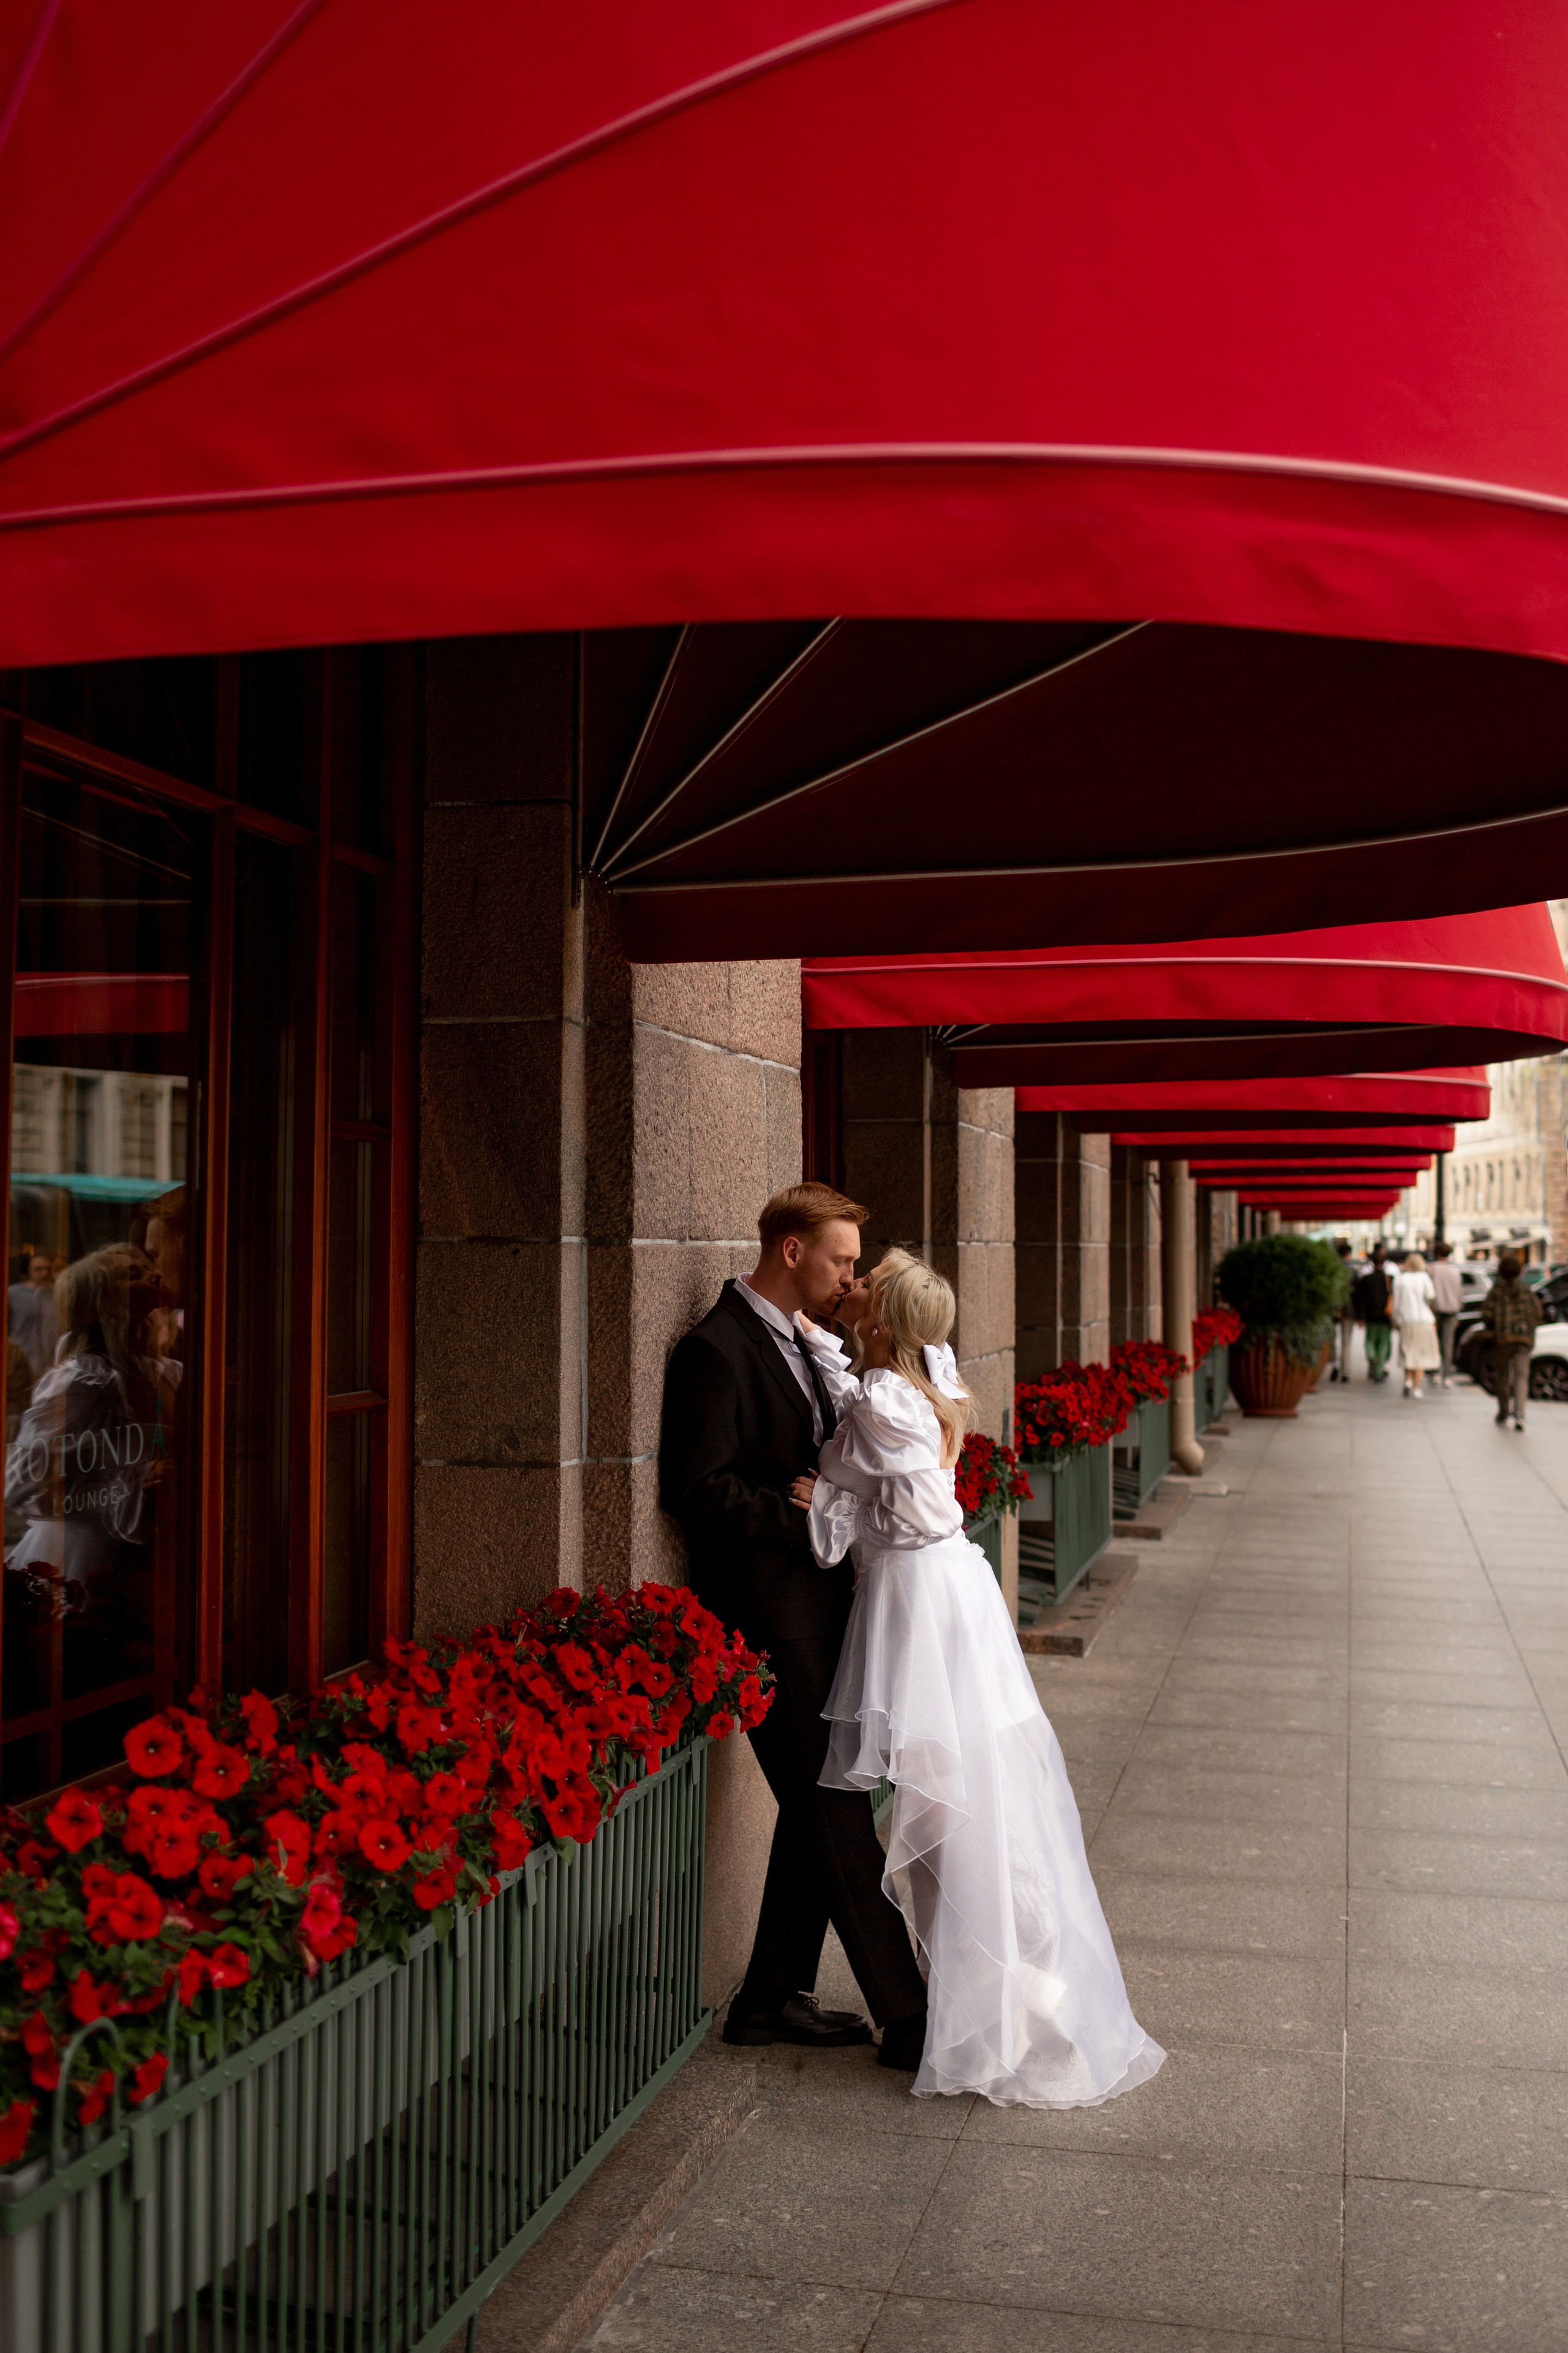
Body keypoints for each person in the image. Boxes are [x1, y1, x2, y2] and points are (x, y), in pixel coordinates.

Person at [790, 1248, 1163, 2108]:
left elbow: (884, 1499)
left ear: (884, 1321)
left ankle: (987, 2002)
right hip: (951, 1593)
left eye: (866, 1290)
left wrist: (820, 1497)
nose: (852, 1292)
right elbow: (875, 1394)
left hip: (917, 1602)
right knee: (968, 1792)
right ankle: (1008, 1985)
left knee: (941, 1803)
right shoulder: (929, 1374)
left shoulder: (884, 1399)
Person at [658, 1184, 930, 2066]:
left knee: (823, 1805)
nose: (851, 1275)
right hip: (765, 1617)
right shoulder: (715, 1348)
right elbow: (696, 1488)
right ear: (790, 1252)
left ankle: (771, 1996)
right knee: (835, 1807)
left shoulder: (810, 1341)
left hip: (822, 1613)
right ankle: (910, 2016)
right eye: (842, 1258)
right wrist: (807, 1520)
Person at [1478, 1252, 1542, 1431]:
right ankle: (1520, 1415)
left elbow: (1487, 1314)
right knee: (1522, 1377)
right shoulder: (1526, 1289)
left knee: (1503, 1377)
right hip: (1524, 1339)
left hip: (1503, 1339)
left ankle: (1504, 1411)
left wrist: (1492, 1327)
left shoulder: (1497, 1291)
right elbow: (1537, 1312)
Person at [1390, 1251, 1439, 1398]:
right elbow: (1431, 1297)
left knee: (1408, 1352)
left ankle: (1408, 1381)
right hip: (1424, 1320)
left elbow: (1396, 1303)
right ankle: (1417, 1388)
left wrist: (1395, 1319)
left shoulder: (1400, 1279)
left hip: (1406, 1320)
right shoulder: (1424, 1278)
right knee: (1421, 1354)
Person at [7, 1253, 61, 1382]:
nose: (44, 1273)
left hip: (47, 1358)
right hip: (21, 1357)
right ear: (29, 1271)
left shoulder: (55, 1294)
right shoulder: (13, 1293)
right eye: (38, 1269)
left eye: (47, 1269)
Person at [1353, 1243, 1395, 1382]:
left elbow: (1359, 1299)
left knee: (1370, 1341)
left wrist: (1360, 1316)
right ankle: (1380, 1368)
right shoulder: (1390, 1279)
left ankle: (1372, 1358)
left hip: (1370, 1315)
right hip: (1385, 1316)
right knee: (1383, 1343)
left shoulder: (1366, 1279)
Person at [1428, 1242, 1464, 1386]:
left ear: (1437, 1254)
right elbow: (1460, 1293)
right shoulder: (1455, 1271)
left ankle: (1436, 1372)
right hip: (1451, 1311)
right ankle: (1447, 1375)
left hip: (1435, 1311)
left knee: (1435, 1343)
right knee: (1448, 1344)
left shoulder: (1432, 1269)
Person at [1328, 1238, 1355, 1380]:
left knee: (1333, 1338)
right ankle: (1345, 1370)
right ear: (1348, 1254)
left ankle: (1334, 1365)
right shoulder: (1352, 1271)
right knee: (1346, 1341)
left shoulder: (1332, 1270)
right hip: (1349, 1309)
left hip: (1333, 1309)